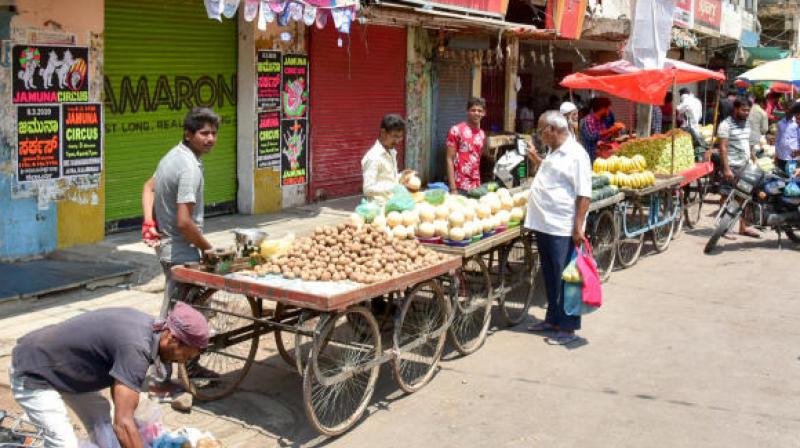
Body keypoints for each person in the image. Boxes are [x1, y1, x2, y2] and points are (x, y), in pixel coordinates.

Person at [9, 303, 209, 447]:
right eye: (185, 355)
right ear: (173, 338)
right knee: (63, 444)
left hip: (62, 369)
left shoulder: (150, 329)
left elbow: (123, 405)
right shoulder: (137, 348)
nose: (182, 361)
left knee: (100, 416)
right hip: (33, 371)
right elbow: (122, 425)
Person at [142, 108, 218, 319]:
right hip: (180, 254)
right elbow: (184, 223)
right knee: (175, 320)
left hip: (169, 250)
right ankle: (157, 351)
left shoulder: (173, 155)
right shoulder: (189, 168)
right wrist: (208, 248)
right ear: (188, 134)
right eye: (204, 133)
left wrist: (149, 223)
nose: (210, 138)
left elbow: (148, 187)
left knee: (179, 315)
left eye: (213, 133)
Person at [525, 111, 592, 345]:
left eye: (541, 130)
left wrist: (578, 228)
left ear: (551, 130)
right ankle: (552, 319)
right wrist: (537, 160)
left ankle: (568, 328)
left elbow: (584, 194)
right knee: (551, 275)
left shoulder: (576, 155)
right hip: (545, 223)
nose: (540, 135)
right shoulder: (555, 151)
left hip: (562, 226)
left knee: (566, 278)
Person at [718, 98, 760, 238]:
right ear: (735, 109)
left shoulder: (747, 123)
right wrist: (726, 168)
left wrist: (753, 158)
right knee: (726, 196)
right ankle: (723, 228)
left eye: (748, 110)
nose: (746, 112)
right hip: (731, 166)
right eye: (744, 109)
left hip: (745, 166)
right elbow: (723, 147)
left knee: (745, 197)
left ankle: (743, 227)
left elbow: (747, 143)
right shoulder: (726, 125)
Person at [361, 114, 412, 203]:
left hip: (393, 203)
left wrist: (401, 176)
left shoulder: (391, 152)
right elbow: (368, 189)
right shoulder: (373, 157)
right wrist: (394, 188)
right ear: (383, 133)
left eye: (400, 137)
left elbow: (387, 178)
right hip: (378, 208)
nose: (397, 141)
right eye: (394, 136)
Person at [447, 97, 487, 194]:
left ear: (484, 113)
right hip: (459, 186)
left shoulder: (482, 135)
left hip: (476, 186)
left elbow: (477, 159)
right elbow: (449, 158)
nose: (476, 113)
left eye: (479, 111)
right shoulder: (456, 130)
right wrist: (453, 188)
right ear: (467, 111)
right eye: (473, 110)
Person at [776, 102, 800, 174]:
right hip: (783, 155)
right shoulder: (780, 123)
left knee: (793, 176)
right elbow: (778, 139)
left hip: (793, 157)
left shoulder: (796, 123)